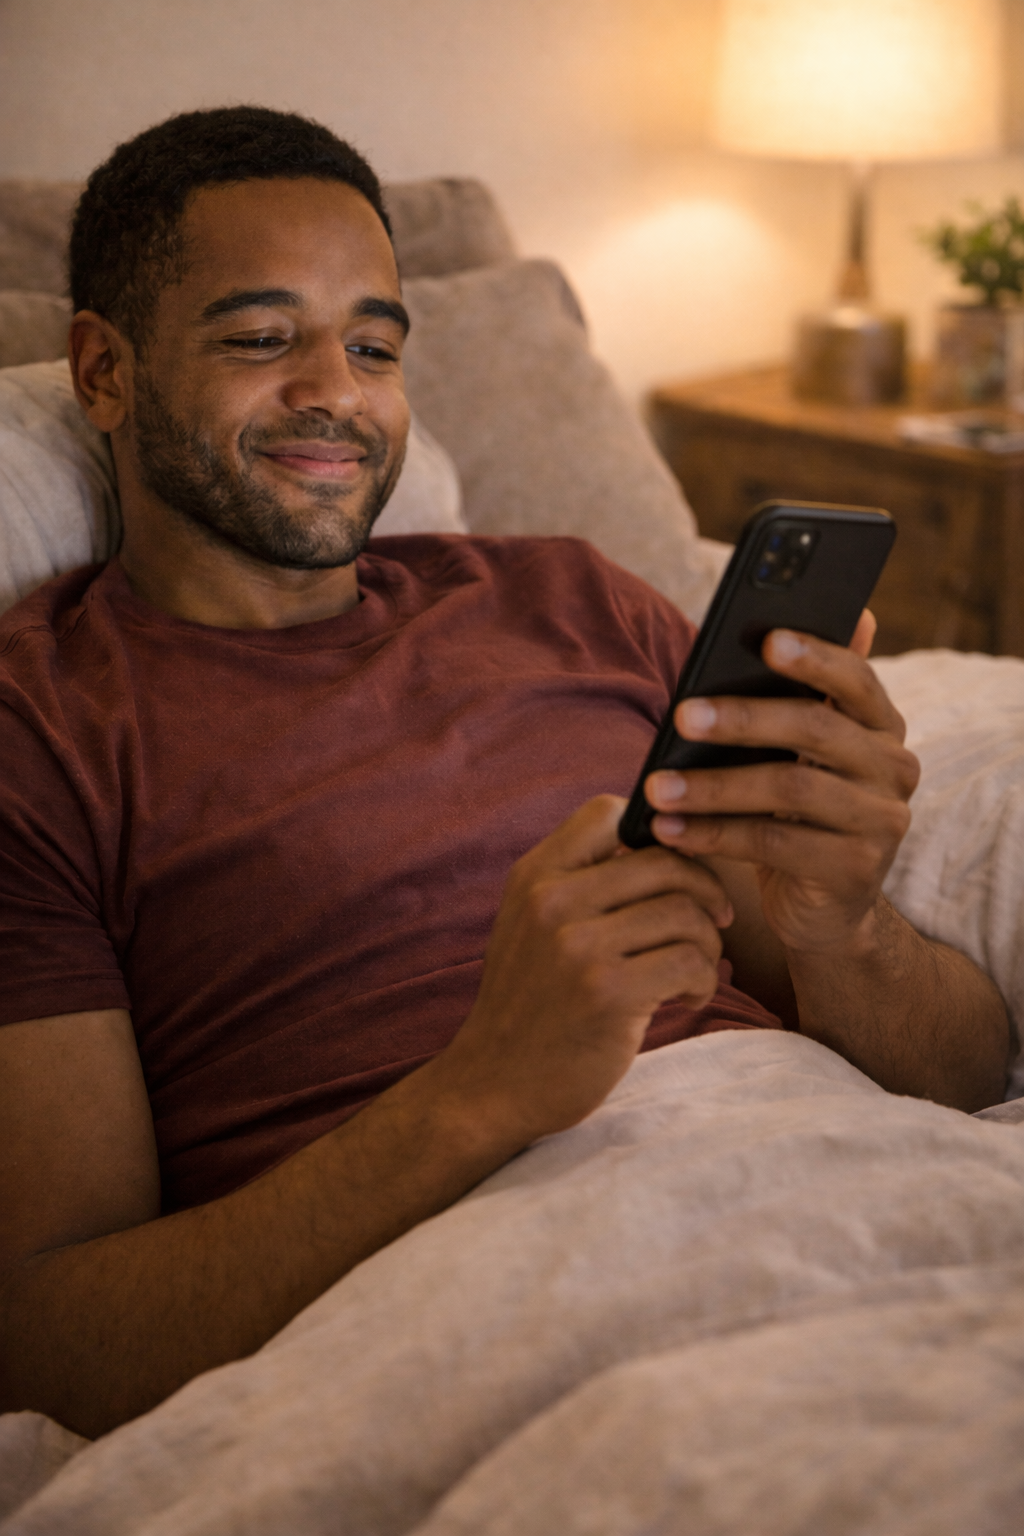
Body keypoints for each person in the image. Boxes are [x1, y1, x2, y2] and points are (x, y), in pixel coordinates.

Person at [0, 107, 1011, 1442]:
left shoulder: (575, 599)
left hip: (843, 1197)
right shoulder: (41, 730)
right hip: (487, 1307)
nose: (336, 395)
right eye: (260, 339)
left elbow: (964, 1072)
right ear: (105, 373)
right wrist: (487, 1087)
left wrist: (846, 930)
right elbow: (50, 1340)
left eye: (374, 345)